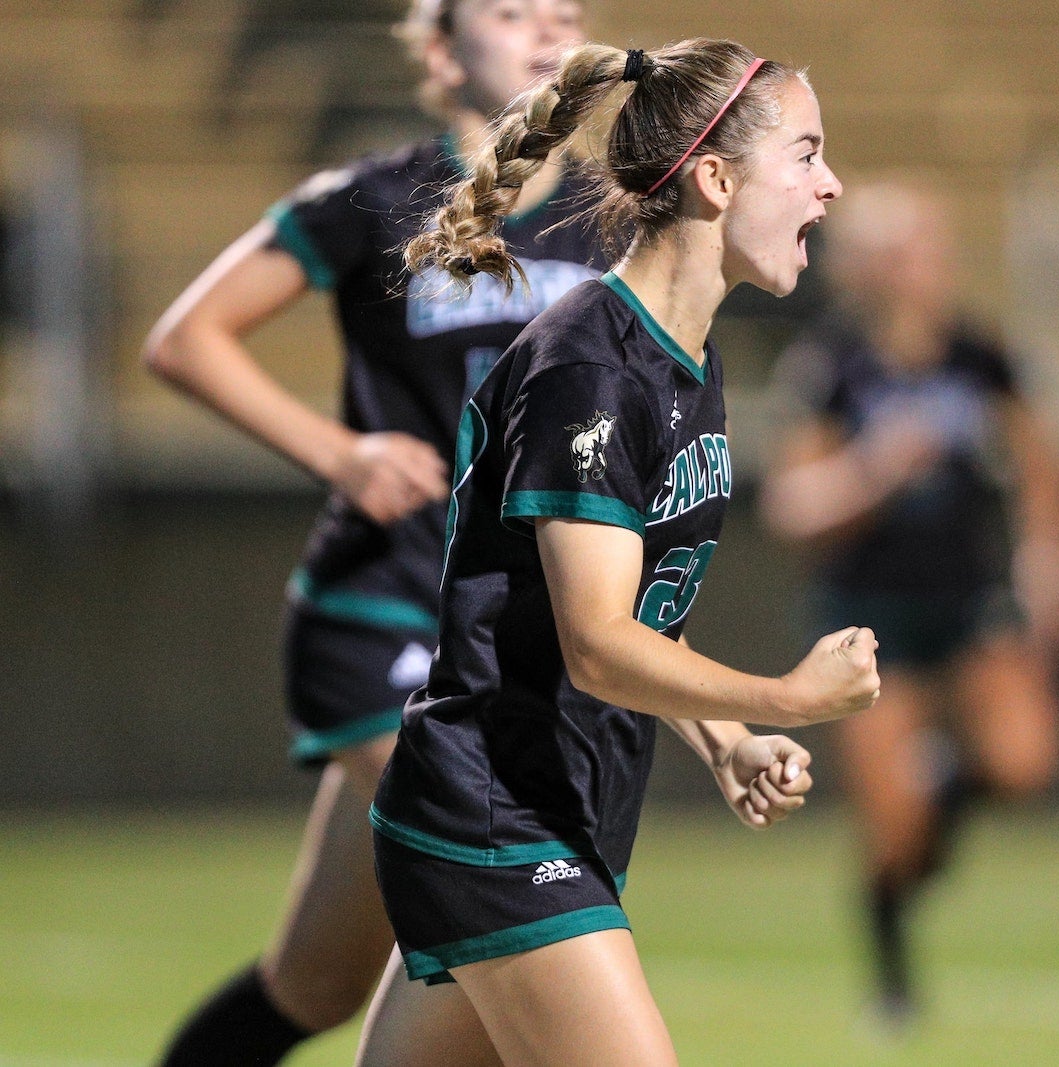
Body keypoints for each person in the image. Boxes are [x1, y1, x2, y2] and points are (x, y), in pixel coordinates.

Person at [351, 38, 876, 1065]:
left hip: (550, 802)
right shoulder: (589, 366)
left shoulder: (684, 353)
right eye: (806, 155)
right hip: (497, 808)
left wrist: (724, 738)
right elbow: (595, 646)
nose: (831, 183)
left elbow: (625, 616)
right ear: (718, 180)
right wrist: (787, 697)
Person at [141, 2, 602, 1062]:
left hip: (502, 648)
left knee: (312, 984)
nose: (545, 29)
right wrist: (338, 452)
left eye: (563, 12)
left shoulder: (615, 217)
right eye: (509, 10)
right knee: (506, 898)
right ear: (440, 53)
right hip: (380, 612)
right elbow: (186, 338)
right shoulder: (377, 197)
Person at [760, 180, 1059, 1027]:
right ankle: (892, 964)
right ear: (864, 268)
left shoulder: (979, 356)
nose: (922, 269)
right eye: (902, 253)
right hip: (870, 616)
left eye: (930, 249)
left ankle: (945, 785)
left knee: (1026, 761)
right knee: (894, 826)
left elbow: (1043, 465)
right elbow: (791, 504)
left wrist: (1047, 564)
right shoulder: (831, 368)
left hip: (969, 599)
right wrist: (874, 470)